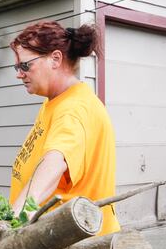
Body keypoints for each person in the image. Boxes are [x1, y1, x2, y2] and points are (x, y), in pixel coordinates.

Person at [8, 20, 120, 236]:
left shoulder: (73, 109)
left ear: (55, 59)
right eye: (17, 67)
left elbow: (54, 163)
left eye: (25, 65)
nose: (19, 74)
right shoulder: (55, 101)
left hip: (75, 244)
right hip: (55, 237)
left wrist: (15, 219)